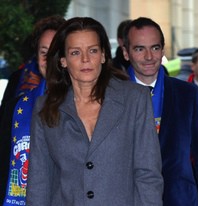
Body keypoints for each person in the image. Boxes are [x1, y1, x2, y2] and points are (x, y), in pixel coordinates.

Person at [26, 17, 163, 205]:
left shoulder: (135, 98)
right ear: (63, 60)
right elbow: (39, 182)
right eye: (75, 52)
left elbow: (148, 175)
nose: (85, 59)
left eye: (93, 50)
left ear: (103, 55)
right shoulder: (45, 107)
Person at [122, 17, 198, 206]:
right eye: (139, 49)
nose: (149, 57)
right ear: (125, 52)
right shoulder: (110, 97)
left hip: (181, 200)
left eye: (155, 48)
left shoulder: (187, 94)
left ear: (163, 51)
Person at [0, 15, 65, 204]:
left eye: (56, 51)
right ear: (36, 58)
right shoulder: (16, 107)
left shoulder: (89, 105)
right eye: (44, 52)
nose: (49, 59)